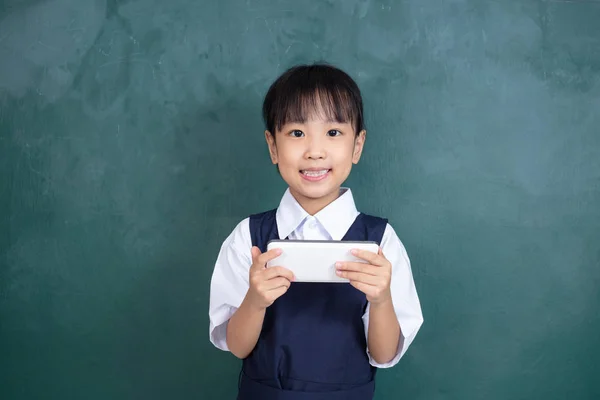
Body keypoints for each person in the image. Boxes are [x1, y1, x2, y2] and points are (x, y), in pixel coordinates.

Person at [208, 63, 423, 400]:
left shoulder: (380, 242)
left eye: (333, 132)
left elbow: (383, 355)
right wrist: (255, 299)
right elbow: (237, 347)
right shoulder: (249, 237)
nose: (315, 150)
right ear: (273, 146)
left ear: (357, 145)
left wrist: (381, 300)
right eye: (297, 133)